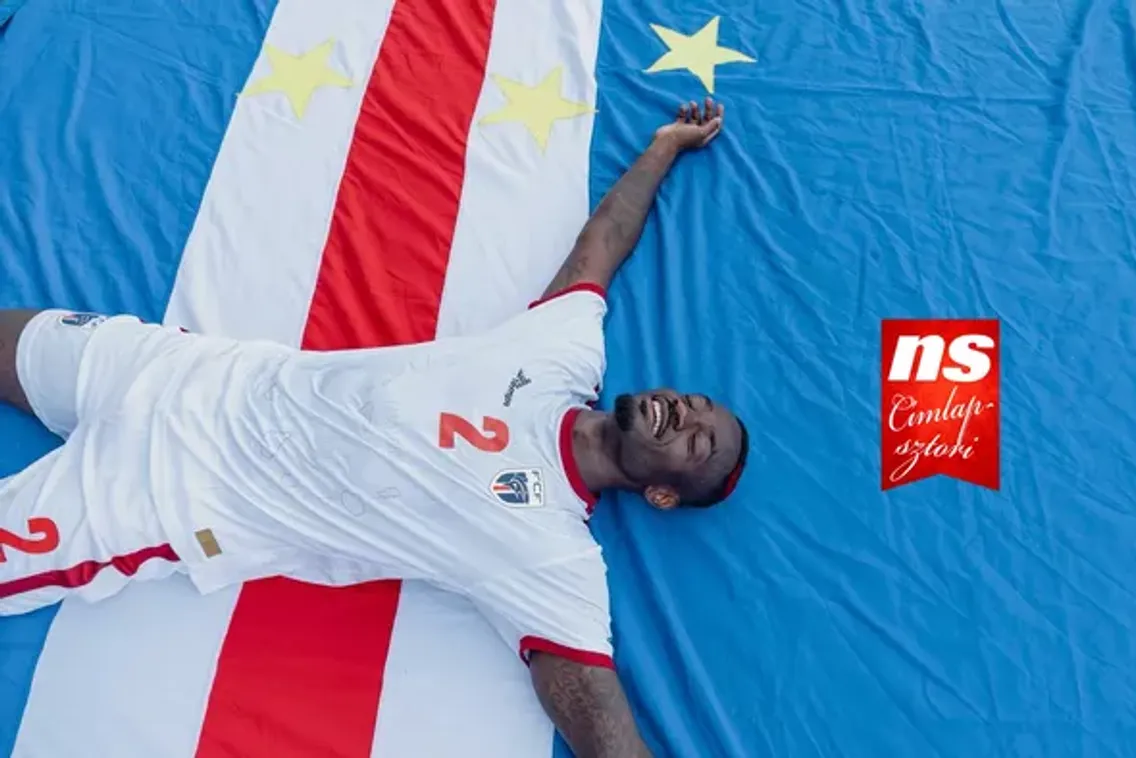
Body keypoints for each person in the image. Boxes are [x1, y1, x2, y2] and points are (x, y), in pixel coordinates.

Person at [0, 97, 747, 758]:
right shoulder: (560, 353)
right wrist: (662, 149)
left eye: (697, 442)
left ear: (662, 495)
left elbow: (605, 733)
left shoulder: (550, 558)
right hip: (175, 370)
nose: (686, 412)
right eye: (696, 403)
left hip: (158, 496)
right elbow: (602, 245)